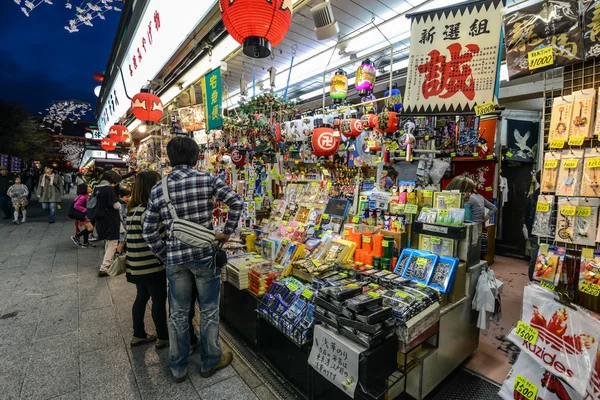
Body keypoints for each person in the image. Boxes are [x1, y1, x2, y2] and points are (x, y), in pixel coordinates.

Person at [143, 136, 243, 383]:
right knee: (208, 310)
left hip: (176, 260)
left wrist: (165, 255)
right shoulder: (206, 179)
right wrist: (227, 232)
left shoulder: (160, 187)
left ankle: (178, 367)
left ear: (170, 158)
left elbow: (148, 230)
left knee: (178, 313)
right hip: (205, 256)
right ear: (196, 156)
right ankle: (210, 361)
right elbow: (236, 202)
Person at [124, 171, 169, 348]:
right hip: (152, 266)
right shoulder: (148, 212)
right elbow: (161, 236)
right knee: (158, 300)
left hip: (136, 265)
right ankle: (163, 336)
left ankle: (138, 334)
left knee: (141, 297)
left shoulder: (133, 210)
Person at [95, 170, 123, 277]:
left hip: (101, 218)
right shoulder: (109, 189)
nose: (115, 184)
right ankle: (104, 267)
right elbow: (116, 205)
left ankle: (108, 262)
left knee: (108, 241)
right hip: (111, 218)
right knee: (113, 243)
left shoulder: (97, 187)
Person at [524, 171, 541, 280]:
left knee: (534, 259)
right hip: (540, 233)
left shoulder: (531, 196)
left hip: (534, 233)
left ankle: (532, 282)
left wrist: (530, 232)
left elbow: (526, 217)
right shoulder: (554, 196)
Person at [71, 183, 95, 247]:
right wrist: (85, 210)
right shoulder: (82, 197)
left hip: (83, 215)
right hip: (83, 216)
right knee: (90, 228)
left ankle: (85, 243)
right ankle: (76, 236)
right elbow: (76, 205)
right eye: (88, 187)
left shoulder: (82, 196)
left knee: (86, 229)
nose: (90, 188)